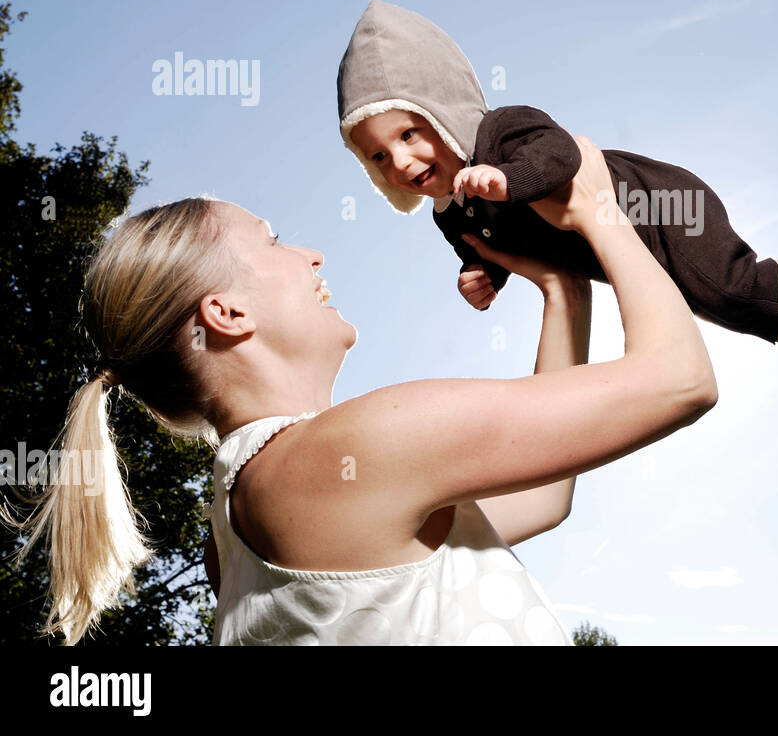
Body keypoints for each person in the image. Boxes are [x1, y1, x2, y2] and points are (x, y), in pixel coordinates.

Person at [7, 136, 718, 645]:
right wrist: (598, 211)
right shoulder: (351, 450)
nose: (310, 254)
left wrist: (561, 290)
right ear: (227, 315)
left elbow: (544, 495)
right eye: (272, 241)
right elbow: (681, 380)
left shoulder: (241, 522)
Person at [337, 0, 778, 400]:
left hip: (657, 206)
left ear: (441, 111)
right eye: (379, 157)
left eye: (409, 134)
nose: (401, 162)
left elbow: (561, 157)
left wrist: (509, 180)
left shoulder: (500, 134)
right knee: (720, 307)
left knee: (727, 283)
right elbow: (486, 248)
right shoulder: (449, 212)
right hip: (620, 254)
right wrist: (483, 278)